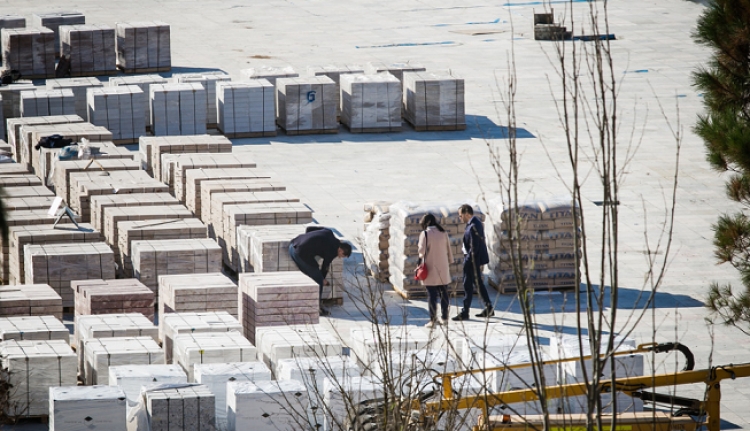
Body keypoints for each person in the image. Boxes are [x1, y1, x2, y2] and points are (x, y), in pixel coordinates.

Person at [289, 226, 352, 316]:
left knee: (312, 275)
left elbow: (309, 229)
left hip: (293, 245)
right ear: (341, 251)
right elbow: (325, 266)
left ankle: (307, 302)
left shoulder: (329, 232)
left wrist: (308, 242)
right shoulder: (332, 251)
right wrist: (323, 279)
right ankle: (316, 309)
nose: (340, 257)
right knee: (318, 281)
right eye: (342, 256)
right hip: (299, 253)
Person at [453, 204, 493, 321]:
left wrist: (467, 261)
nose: (460, 218)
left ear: (467, 214)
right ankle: (488, 307)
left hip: (471, 261)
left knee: (467, 285)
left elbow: (474, 247)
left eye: (461, 216)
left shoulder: (474, 225)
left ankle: (465, 312)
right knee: (478, 284)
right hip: (473, 259)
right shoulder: (473, 223)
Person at [416, 213, 453, 328]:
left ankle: (432, 320)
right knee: (444, 294)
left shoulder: (425, 234)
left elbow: (421, 251)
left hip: (431, 267)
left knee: (432, 295)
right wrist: (450, 261)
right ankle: (445, 318)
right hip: (443, 267)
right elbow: (449, 249)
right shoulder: (443, 232)